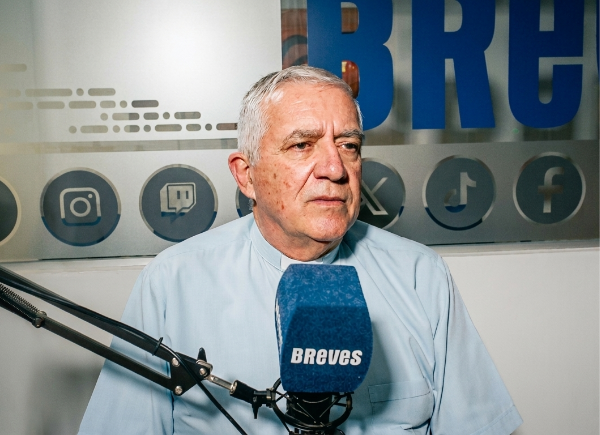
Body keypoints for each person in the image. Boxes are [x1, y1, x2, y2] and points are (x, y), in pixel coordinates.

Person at [79, 66, 522, 435]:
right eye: (302, 145)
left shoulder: (421, 276)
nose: (335, 168)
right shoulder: (171, 283)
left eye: (349, 145)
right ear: (246, 175)